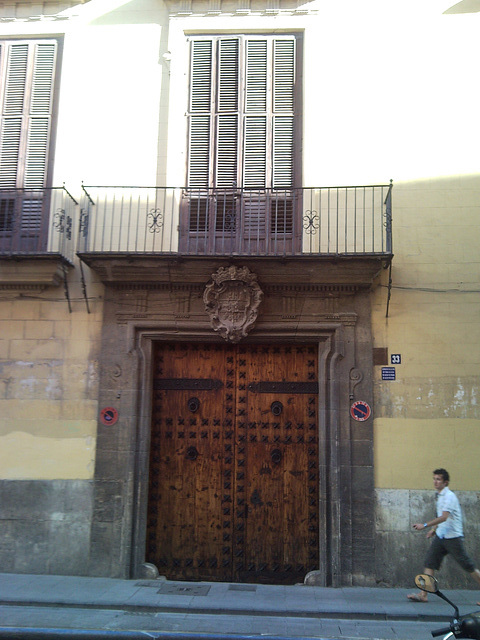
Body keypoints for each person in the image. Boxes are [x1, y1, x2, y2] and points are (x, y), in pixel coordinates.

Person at [407, 468, 480, 605]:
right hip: (441, 537)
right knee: (430, 562)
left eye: (438, 479)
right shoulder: (439, 495)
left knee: (467, 565)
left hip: (453, 538)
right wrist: (434, 530)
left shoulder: (449, 496)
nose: (435, 482)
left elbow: (444, 517)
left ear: (445, 482)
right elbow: (441, 517)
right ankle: (423, 594)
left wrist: (425, 525)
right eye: (434, 479)